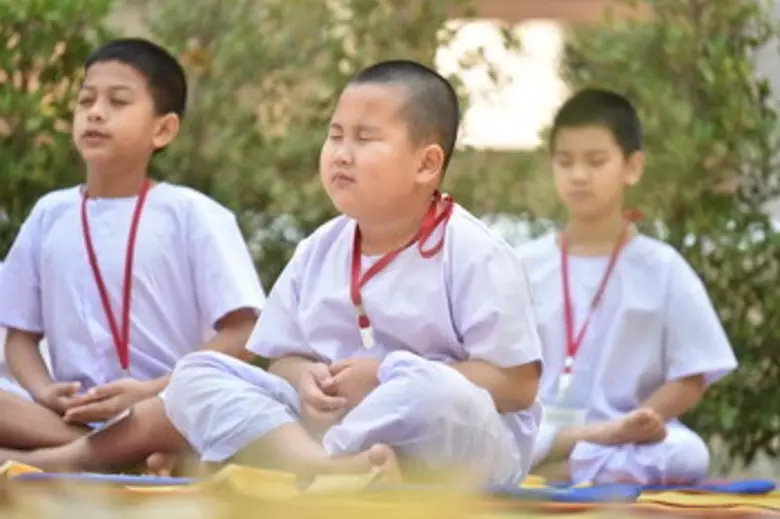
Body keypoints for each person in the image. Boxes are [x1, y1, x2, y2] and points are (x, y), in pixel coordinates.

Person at [162, 60, 543, 485]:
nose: (341, 153)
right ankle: (326, 467)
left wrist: (384, 377)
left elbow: (517, 384)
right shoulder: (319, 248)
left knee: (431, 391)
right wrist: (305, 378)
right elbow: (283, 358)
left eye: (365, 138)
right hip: (333, 425)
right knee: (197, 375)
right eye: (335, 135)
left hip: (453, 444)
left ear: (426, 164)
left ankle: (297, 465)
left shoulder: (476, 252)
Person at [0, 38, 265, 472]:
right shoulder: (49, 214)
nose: (96, 112)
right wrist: (46, 392)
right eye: (86, 100)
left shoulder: (193, 214)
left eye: (118, 101)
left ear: (162, 130)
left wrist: (151, 390)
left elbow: (245, 331)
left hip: (162, 405)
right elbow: (20, 338)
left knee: (179, 413)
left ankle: (49, 463)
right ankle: (114, 457)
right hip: (68, 414)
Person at [521, 88, 738, 485]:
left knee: (687, 454)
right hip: (537, 431)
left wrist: (637, 424)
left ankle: (563, 469)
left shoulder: (661, 266)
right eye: (565, 162)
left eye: (596, 161)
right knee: (488, 436)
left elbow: (694, 372)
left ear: (632, 167)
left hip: (621, 437)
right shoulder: (523, 264)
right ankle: (558, 459)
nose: (579, 175)